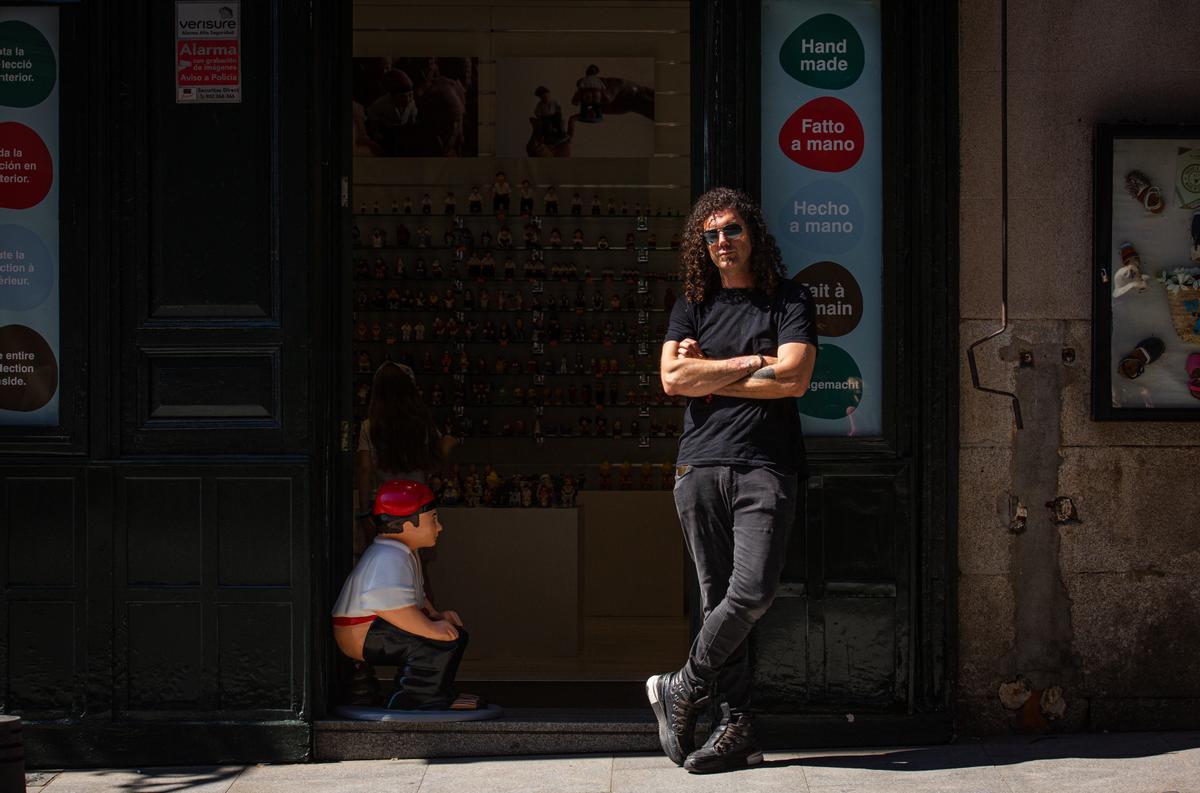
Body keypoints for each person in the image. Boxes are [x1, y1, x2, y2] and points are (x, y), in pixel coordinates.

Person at [648, 187, 818, 773]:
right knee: (718, 599)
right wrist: (751, 362)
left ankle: (683, 685)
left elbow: (794, 377)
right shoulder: (692, 303)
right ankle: (736, 726)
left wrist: (707, 374)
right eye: (711, 234)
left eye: (732, 230)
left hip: (767, 465)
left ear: (754, 235)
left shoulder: (789, 299)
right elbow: (671, 379)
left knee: (751, 593)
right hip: (699, 466)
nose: (722, 241)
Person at [332, 478, 482, 710]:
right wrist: (430, 628)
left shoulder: (402, 553)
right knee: (432, 643)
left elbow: (415, 597)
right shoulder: (388, 557)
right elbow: (390, 606)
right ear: (407, 524)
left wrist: (435, 616)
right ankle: (415, 697)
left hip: (378, 626)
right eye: (433, 520)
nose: (440, 527)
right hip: (363, 632)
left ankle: (438, 693)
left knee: (452, 635)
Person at [356, 362, 456, 554]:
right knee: (420, 568)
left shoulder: (369, 426)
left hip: (386, 505)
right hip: (420, 503)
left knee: (385, 560)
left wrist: (364, 513)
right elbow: (434, 463)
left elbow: (365, 469)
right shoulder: (423, 425)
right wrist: (449, 444)